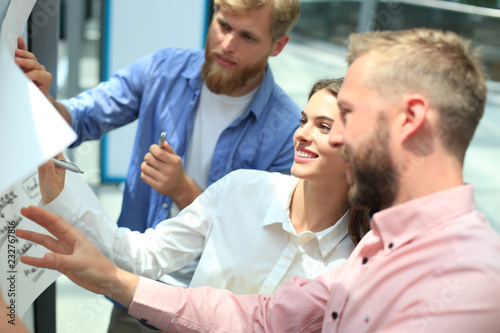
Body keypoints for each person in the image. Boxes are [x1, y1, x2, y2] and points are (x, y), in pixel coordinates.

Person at [17, 28, 500, 332]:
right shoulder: (383, 247)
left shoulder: (464, 281)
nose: (322, 137)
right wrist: (114, 279)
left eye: (345, 116)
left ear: (410, 118)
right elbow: (262, 318)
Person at [15, 0, 301, 331]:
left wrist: (184, 190)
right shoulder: (164, 70)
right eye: (223, 26)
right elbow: (81, 118)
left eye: (248, 37)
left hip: (216, 309)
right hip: (135, 289)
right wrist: (43, 101)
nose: (227, 44)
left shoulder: (288, 130)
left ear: (278, 45)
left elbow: (260, 245)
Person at [37, 78, 368, 294]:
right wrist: (65, 194)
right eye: (303, 120)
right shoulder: (242, 189)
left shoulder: (360, 255)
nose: (302, 134)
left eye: (323, 127)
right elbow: (143, 256)